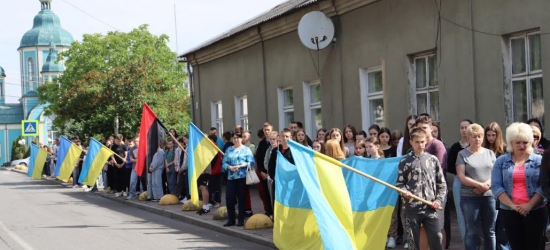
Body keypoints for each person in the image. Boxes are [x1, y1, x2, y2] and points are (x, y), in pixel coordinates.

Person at [492, 122, 546, 250]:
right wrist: (512, 206)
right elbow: (496, 186)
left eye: (525, 142)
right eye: (518, 142)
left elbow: (544, 185)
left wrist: (529, 205)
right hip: (510, 212)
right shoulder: (501, 161)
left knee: (535, 246)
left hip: (536, 211)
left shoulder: (539, 160)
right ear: (511, 142)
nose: (522, 146)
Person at [397, 128, 447, 250]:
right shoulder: (405, 161)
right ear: (411, 142)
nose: (420, 145)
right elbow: (399, 184)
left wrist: (438, 200)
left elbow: (442, 184)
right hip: (411, 208)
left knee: (436, 238)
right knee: (413, 243)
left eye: (422, 142)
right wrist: (404, 193)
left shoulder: (433, 160)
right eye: (417, 142)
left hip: (430, 207)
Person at [456, 124, 497, 250]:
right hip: (470, 198)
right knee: (471, 231)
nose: (477, 139)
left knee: (490, 231)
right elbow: (461, 177)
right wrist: (479, 185)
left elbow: (495, 173)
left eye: (479, 136)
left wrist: (486, 185)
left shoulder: (490, 153)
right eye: (474, 137)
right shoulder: (462, 154)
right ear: (468, 138)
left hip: (489, 197)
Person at [415, 114, 448, 249]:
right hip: (420, 192)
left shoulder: (437, 145)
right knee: (423, 226)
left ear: (431, 128)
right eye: (419, 129)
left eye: (424, 128)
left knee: (437, 226)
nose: (422, 131)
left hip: (436, 191)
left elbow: (438, 167)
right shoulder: (417, 145)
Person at [482, 122, 509, 250]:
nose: (491, 138)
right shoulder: (483, 150)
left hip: (502, 190)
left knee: (502, 224)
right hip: (486, 191)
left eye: (493, 135)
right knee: (489, 225)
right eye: (488, 135)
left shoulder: (504, 150)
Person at [447, 119, 473, 243]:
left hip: (475, 181)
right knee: (461, 213)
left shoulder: (476, 146)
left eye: (466, 127)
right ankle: (466, 241)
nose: (464, 130)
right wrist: (461, 170)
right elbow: (449, 166)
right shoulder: (455, 147)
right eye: (462, 127)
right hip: (459, 181)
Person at [222, 131, 255, 227]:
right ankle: (231, 219)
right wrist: (230, 167)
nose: (236, 140)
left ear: (241, 139)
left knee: (242, 198)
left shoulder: (246, 149)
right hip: (231, 177)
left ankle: (241, 220)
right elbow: (224, 163)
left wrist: (240, 166)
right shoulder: (229, 149)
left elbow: (251, 162)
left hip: (242, 177)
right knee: (229, 198)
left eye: (238, 138)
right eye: (234, 138)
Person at [255, 123, 274, 218]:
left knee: (274, 193)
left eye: (268, 130)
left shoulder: (274, 143)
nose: (267, 132)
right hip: (264, 173)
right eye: (265, 130)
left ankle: (274, 211)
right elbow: (258, 158)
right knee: (265, 193)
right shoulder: (262, 143)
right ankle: (269, 210)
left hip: (273, 173)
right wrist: (261, 171)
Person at [196, 136, 214, 215]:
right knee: (202, 187)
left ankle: (206, 207)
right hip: (201, 171)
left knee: (204, 188)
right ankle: (205, 206)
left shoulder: (207, 148)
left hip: (205, 171)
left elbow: (207, 160)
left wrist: (203, 169)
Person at [174, 136, 189, 203]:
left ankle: (187, 196)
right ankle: (182, 196)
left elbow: (186, 160)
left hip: (185, 168)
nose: (184, 141)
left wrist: (182, 167)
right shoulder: (183, 148)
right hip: (181, 167)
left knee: (186, 183)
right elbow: (179, 159)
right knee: (181, 182)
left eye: (185, 139)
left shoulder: (188, 148)